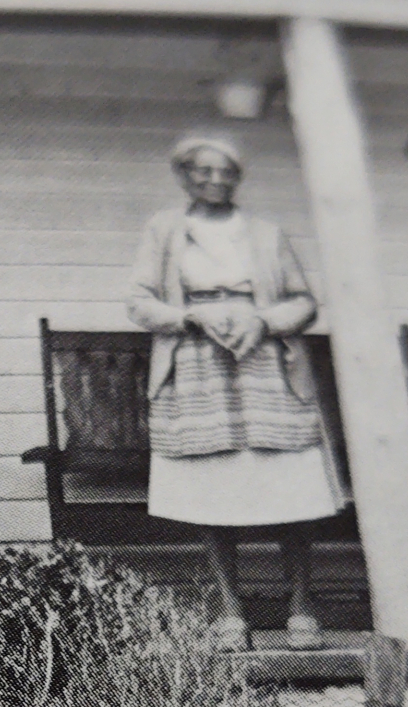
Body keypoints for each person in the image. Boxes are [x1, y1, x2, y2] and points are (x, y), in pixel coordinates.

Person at [128, 135, 345, 650]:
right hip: (196, 367)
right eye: (203, 171)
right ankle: (231, 611)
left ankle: (301, 607)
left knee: (290, 480)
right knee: (214, 485)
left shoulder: (266, 234)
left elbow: (303, 302)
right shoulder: (164, 230)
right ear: (184, 177)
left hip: (266, 363)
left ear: (238, 178)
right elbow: (139, 301)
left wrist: (264, 321)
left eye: (225, 172)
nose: (215, 181)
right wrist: (190, 316)